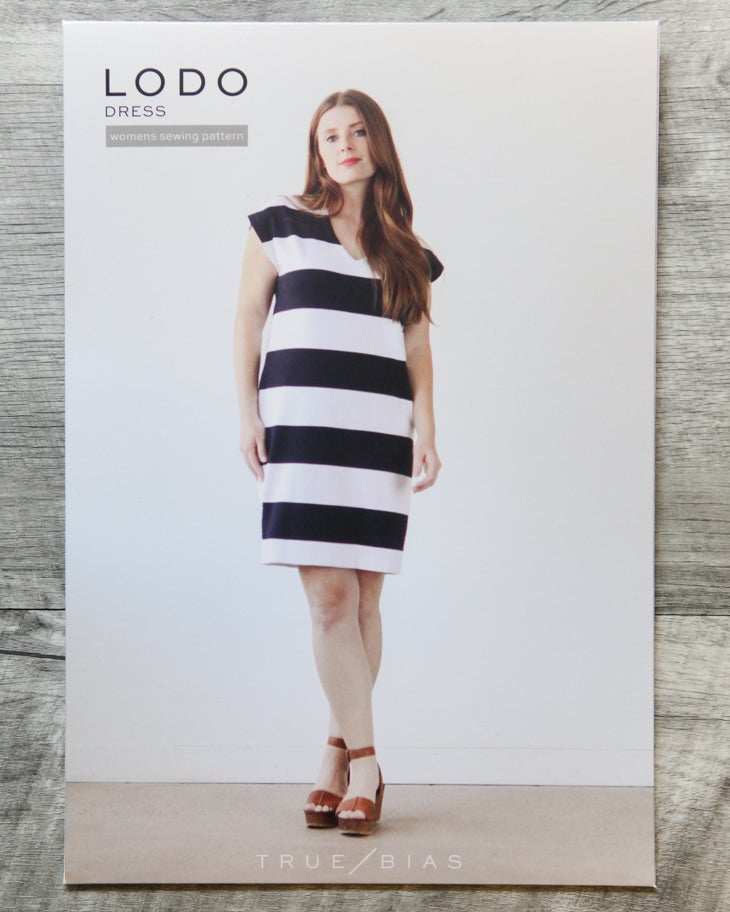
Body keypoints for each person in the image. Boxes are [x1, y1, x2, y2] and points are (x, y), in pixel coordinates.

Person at [233, 89, 443, 836]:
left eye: (357, 132)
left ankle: (333, 757)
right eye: (330, 135)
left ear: (377, 143)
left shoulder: (405, 251)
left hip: (377, 432)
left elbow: (417, 345)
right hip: (304, 430)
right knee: (329, 599)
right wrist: (247, 412)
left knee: (363, 605)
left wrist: (426, 427)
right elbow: (248, 320)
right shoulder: (279, 224)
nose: (345, 144)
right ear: (316, 151)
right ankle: (368, 765)